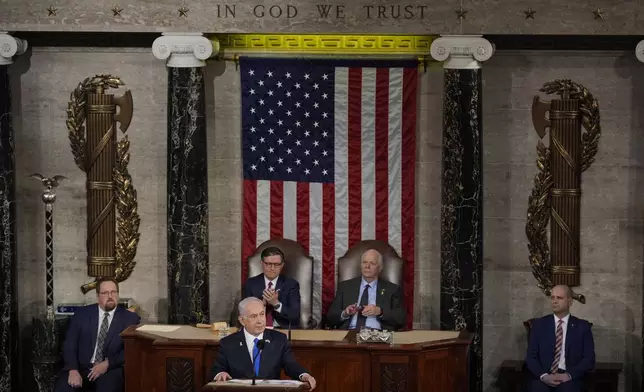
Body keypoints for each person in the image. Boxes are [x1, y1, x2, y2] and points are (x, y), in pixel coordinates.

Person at [54, 278, 141, 392]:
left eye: (113, 292)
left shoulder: (130, 319)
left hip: (109, 369)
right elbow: (70, 344)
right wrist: (73, 369)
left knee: (108, 387)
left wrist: (108, 363)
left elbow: (131, 349)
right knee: (64, 388)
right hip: (80, 367)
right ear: (97, 296)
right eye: (105, 293)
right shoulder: (82, 314)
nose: (110, 296)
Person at [212, 297, 316, 390]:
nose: (260, 321)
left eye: (262, 314)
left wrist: (304, 375)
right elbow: (217, 369)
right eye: (253, 316)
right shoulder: (228, 343)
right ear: (242, 320)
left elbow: (291, 365)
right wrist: (220, 374)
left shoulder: (279, 340)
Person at [525, 284, 595, 392]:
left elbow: (589, 359)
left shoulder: (582, 327)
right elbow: (531, 357)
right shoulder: (539, 325)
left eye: (559, 298)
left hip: (569, 378)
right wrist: (544, 376)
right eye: (552, 297)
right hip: (543, 376)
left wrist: (569, 375)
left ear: (570, 302)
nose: (554, 301)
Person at [325, 248, 405, 331]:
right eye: (364, 262)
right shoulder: (345, 287)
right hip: (349, 335)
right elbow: (330, 316)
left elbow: (400, 319)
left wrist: (380, 312)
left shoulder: (392, 289)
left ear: (380, 268)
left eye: (372, 263)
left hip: (378, 336)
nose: (367, 266)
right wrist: (345, 313)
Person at [243, 246, 302, 328]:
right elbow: (244, 314)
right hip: (256, 329)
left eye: (276, 264)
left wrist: (276, 303)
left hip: (282, 330)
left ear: (282, 265)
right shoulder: (251, 283)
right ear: (262, 263)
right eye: (268, 264)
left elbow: (295, 315)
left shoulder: (291, 285)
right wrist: (261, 305)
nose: (272, 268)